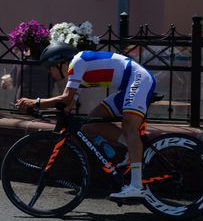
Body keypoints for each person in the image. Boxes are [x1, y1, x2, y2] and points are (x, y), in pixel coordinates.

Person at [15, 43, 156, 198]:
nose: (50, 72)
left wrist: (35, 102)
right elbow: (67, 105)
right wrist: (38, 110)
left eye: (51, 68)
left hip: (139, 79)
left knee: (130, 125)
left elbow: (66, 98)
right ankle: (131, 149)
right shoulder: (75, 74)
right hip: (128, 86)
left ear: (60, 62)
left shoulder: (77, 63)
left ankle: (136, 186)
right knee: (92, 123)